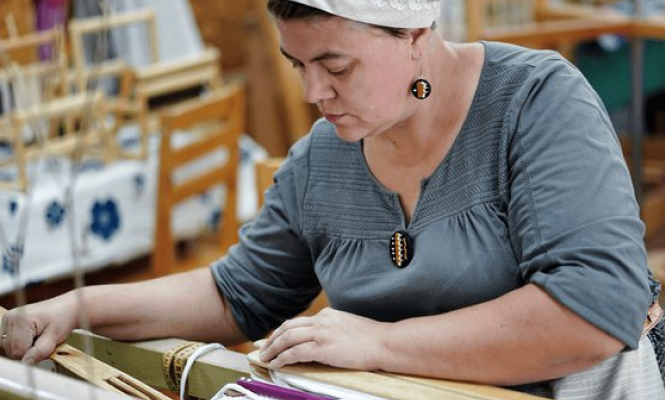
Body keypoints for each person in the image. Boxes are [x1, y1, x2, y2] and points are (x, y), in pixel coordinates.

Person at [2, 0, 664, 397]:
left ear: (414, 35)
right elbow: (236, 295)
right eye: (297, 65)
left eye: (335, 66)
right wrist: (77, 308)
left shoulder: (535, 102)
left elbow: (594, 311)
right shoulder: (321, 159)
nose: (311, 93)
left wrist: (378, 343)